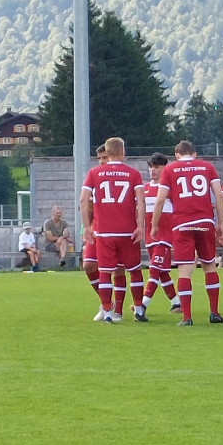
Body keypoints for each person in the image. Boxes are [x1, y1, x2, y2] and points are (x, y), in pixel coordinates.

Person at [151, 140, 223, 326]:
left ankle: (187, 317)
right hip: (205, 222)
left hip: (182, 224)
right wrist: (221, 223)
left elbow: (160, 200)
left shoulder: (170, 169)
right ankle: (214, 312)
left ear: (176, 155)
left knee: (185, 270)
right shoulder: (207, 167)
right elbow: (219, 195)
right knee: (209, 266)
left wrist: (154, 225)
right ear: (194, 154)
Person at [80, 137, 146, 324]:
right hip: (127, 231)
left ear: (107, 153)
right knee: (134, 270)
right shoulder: (133, 173)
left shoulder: (94, 173)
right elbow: (140, 201)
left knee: (105, 272)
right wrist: (140, 226)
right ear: (123, 152)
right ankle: (139, 309)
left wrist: (86, 227)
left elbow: (83, 200)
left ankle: (109, 312)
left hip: (104, 232)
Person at [82, 144, 127, 321]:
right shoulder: (95, 177)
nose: (102, 161)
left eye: (105, 157)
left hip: (119, 228)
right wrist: (86, 227)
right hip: (98, 229)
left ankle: (118, 311)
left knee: (118, 269)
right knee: (88, 265)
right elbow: (86, 205)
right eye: (99, 158)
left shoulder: (124, 176)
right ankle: (106, 302)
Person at [139, 153, 181, 316]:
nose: (153, 170)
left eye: (156, 167)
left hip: (164, 237)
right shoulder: (145, 188)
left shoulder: (170, 188)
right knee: (162, 272)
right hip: (150, 237)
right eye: (150, 167)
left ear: (165, 168)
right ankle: (176, 303)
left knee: (154, 269)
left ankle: (142, 305)